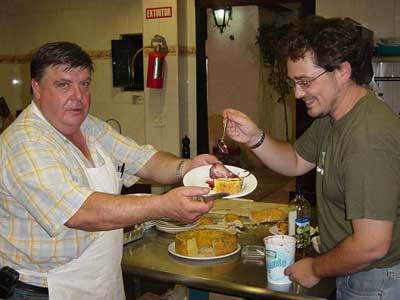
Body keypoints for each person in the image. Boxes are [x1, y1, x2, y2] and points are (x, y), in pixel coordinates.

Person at [0, 41, 218, 300]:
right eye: (63, 84)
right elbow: (81, 212)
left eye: (84, 83)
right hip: (44, 289)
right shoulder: (25, 142)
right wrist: (164, 205)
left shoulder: (88, 127)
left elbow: (143, 159)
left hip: (98, 279)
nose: (78, 96)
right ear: (36, 88)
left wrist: (187, 167)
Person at [224, 16, 400, 300]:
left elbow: (372, 245)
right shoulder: (334, 118)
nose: (297, 93)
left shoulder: (367, 139)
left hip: (377, 278)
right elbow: (294, 160)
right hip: (356, 268)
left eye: (305, 82)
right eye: (294, 82)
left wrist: (316, 269)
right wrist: (254, 137)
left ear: (342, 71)